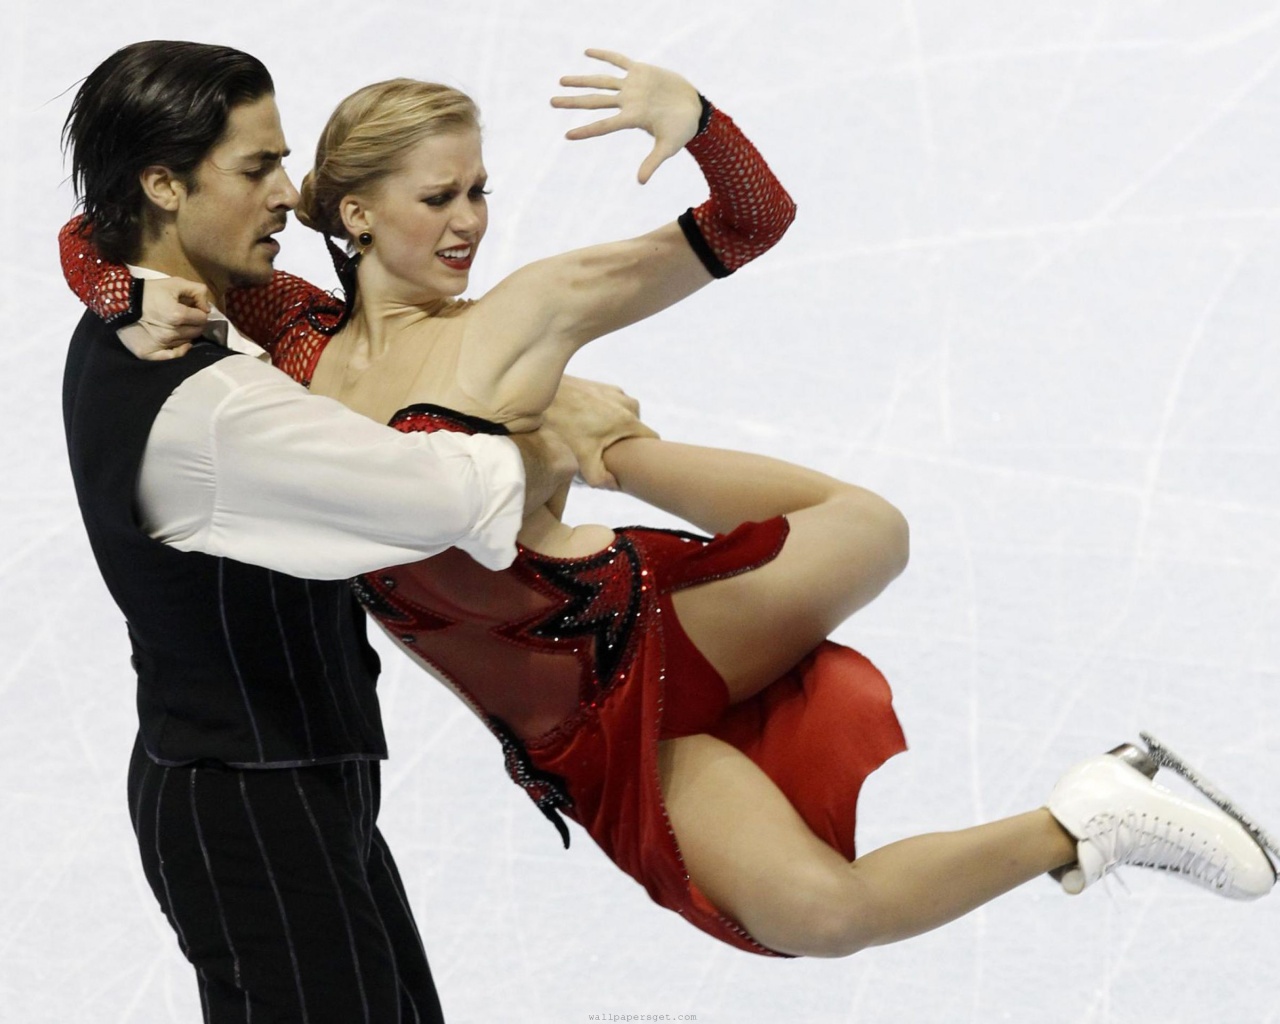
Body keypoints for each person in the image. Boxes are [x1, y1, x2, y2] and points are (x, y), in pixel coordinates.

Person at [65, 49, 1277, 961]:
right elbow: (104, 222)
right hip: (566, 733)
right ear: (354, 211)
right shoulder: (289, 333)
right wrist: (116, 288)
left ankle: (626, 451)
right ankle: (1086, 817)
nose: (470, 221)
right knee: (818, 915)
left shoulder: (527, 307)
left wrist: (694, 126)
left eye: (479, 190)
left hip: (630, 626)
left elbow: (750, 220)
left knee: (873, 530)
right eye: (438, 196)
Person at [59, 40, 648, 1023]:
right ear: (163, 184)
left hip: (287, 781)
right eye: (256, 168)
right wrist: (553, 428)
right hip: (250, 798)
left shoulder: (190, 315)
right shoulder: (209, 404)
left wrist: (110, 278)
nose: (290, 194)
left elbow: (90, 229)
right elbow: (441, 497)